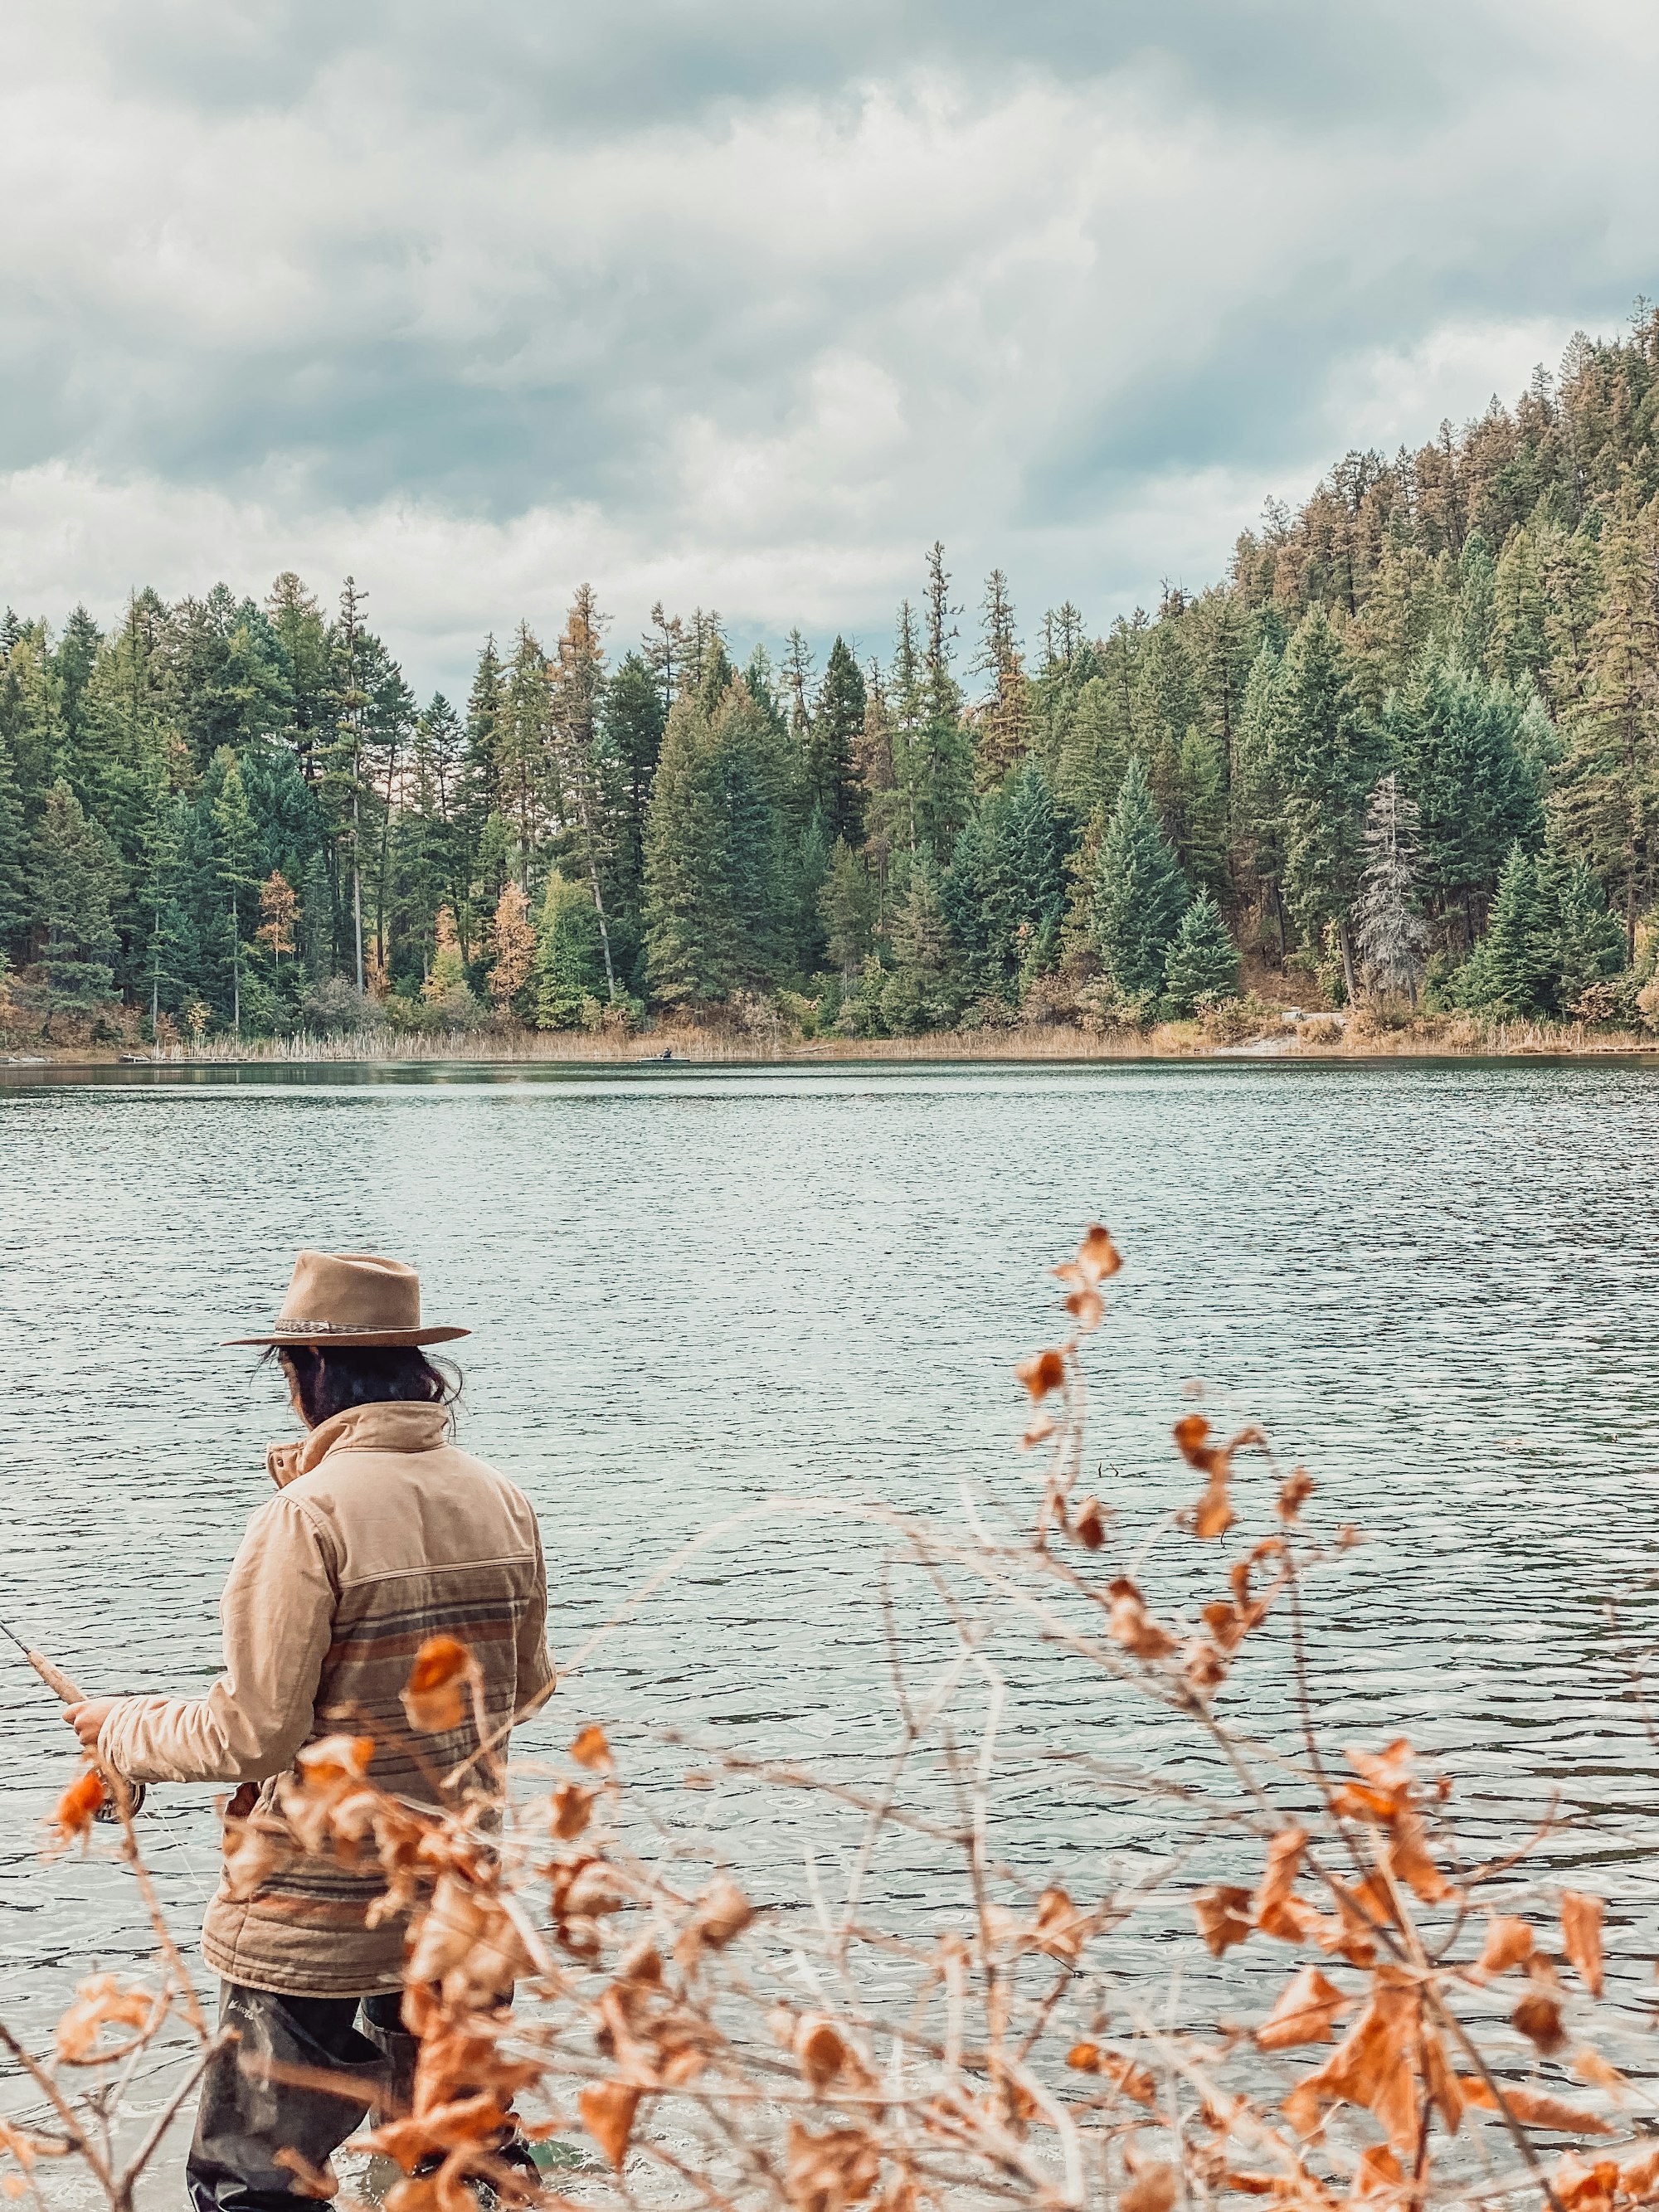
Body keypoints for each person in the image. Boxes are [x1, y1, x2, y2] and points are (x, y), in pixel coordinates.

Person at [65, 1250, 553, 2212]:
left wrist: (120, 1729)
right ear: (418, 1369)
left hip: (313, 1911)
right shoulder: (502, 1496)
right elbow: (525, 1690)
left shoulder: (304, 1516)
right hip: (456, 1888)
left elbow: (253, 1736)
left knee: (257, 2183)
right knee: (467, 2161)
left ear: (310, 1374)